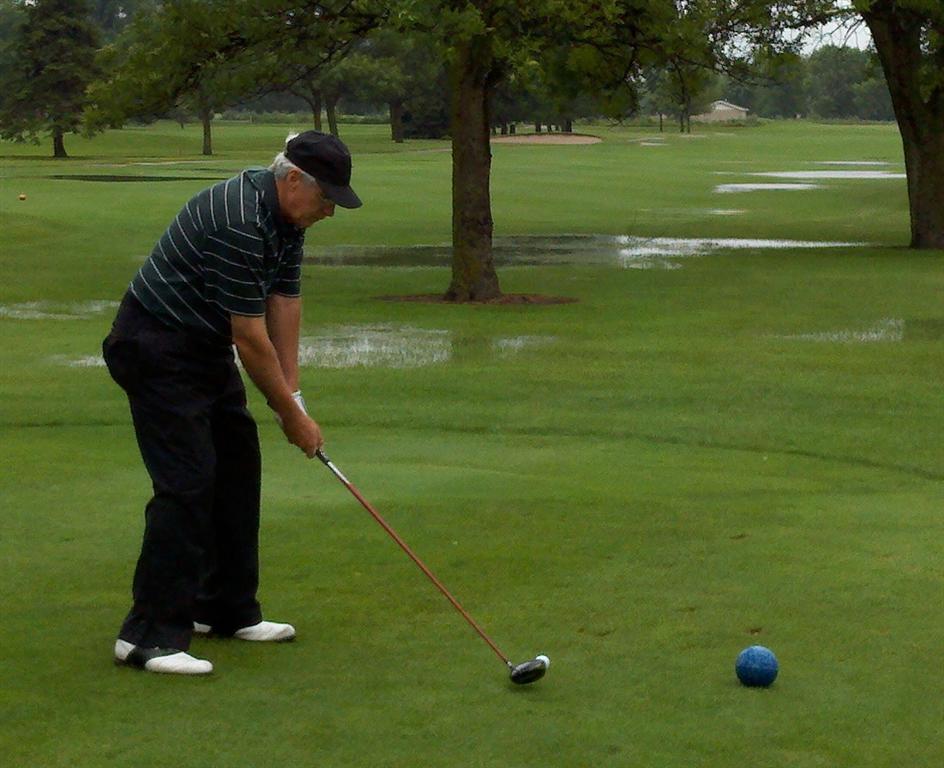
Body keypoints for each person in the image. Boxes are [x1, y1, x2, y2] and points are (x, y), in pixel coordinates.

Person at [103, 131, 361, 675]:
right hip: (154, 345)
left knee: (238, 467)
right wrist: (290, 416)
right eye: (326, 198)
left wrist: (294, 396)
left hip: (202, 347)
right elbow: (249, 336)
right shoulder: (239, 219)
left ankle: (223, 607)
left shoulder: (288, 220)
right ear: (294, 179)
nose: (330, 211)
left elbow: (284, 300)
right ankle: (145, 636)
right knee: (188, 482)